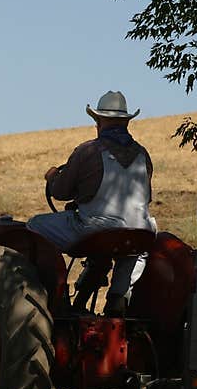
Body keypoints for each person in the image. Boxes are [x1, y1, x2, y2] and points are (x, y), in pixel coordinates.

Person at [27, 90, 156, 316]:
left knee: (35, 226)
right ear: (125, 122)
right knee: (133, 251)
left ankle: (57, 295)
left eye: (97, 120)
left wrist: (52, 177)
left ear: (100, 121)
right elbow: (147, 197)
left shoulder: (88, 151)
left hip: (97, 229)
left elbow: (61, 191)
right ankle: (118, 298)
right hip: (139, 230)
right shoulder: (142, 155)